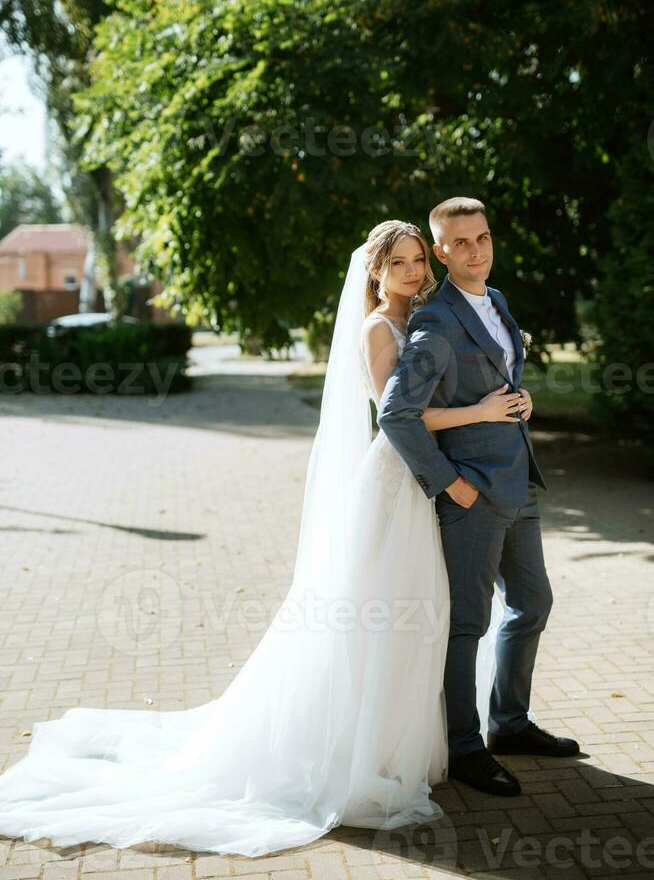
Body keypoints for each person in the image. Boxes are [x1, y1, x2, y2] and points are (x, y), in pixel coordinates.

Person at [0, 219, 506, 858]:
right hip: (395, 478)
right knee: (378, 608)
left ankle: (405, 739)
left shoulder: (426, 319)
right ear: (374, 270)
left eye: (414, 260)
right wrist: (479, 413)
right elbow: (397, 414)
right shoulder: (379, 328)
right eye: (397, 262)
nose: (410, 270)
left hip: (421, 478)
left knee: (419, 612)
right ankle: (358, 749)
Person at [377, 197, 580, 799]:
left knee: (533, 601)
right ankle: (465, 747)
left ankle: (509, 724)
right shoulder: (435, 322)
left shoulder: (497, 301)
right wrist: (448, 483)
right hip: (471, 494)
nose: (476, 251)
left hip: (520, 483)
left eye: (483, 238)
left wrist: (520, 402)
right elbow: (396, 414)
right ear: (442, 253)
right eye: (461, 244)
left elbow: (500, 373)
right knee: (467, 622)